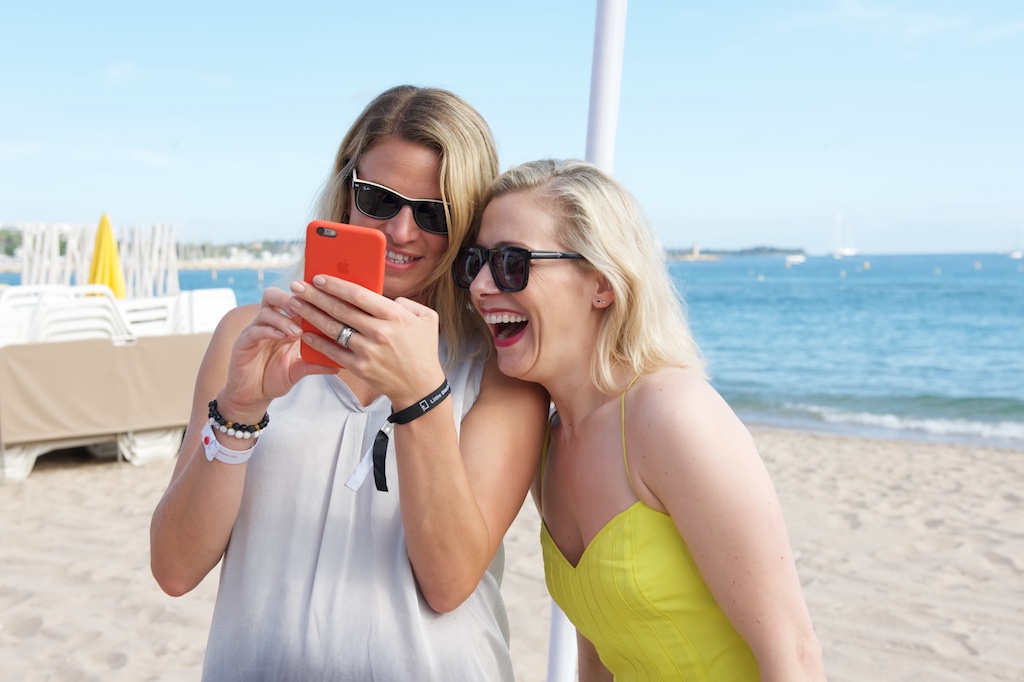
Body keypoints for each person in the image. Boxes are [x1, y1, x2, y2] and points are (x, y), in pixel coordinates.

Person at [149, 86, 550, 681]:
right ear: (346, 193)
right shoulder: (250, 335)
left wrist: (419, 394)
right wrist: (239, 410)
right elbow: (174, 568)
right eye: (379, 200)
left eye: (435, 213)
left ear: (466, 222)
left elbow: (448, 582)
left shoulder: (498, 369)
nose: (402, 231)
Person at [453, 159, 827, 680]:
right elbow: (598, 656)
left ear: (602, 283)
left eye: (512, 262)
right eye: (476, 262)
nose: (480, 286)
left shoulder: (671, 414)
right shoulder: (551, 445)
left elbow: (793, 655)